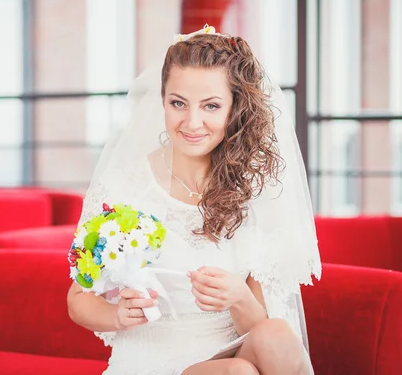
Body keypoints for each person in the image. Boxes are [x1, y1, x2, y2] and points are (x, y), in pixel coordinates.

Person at [66, 25, 321, 375]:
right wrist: (117, 315)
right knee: (239, 374)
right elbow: (77, 299)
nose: (192, 122)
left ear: (235, 109)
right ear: (162, 101)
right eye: (178, 103)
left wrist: (238, 296)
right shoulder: (123, 186)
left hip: (225, 350)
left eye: (211, 106)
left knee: (275, 333)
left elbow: (258, 327)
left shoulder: (254, 189)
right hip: (150, 361)